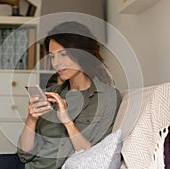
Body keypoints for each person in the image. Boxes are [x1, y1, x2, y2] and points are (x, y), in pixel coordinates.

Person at [17, 21, 122, 169]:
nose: (56, 63)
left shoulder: (108, 98)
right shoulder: (52, 93)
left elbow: (93, 158)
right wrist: (31, 119)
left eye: (63, 54)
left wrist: (67, 121)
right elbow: (24, 155)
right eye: (52, 56)